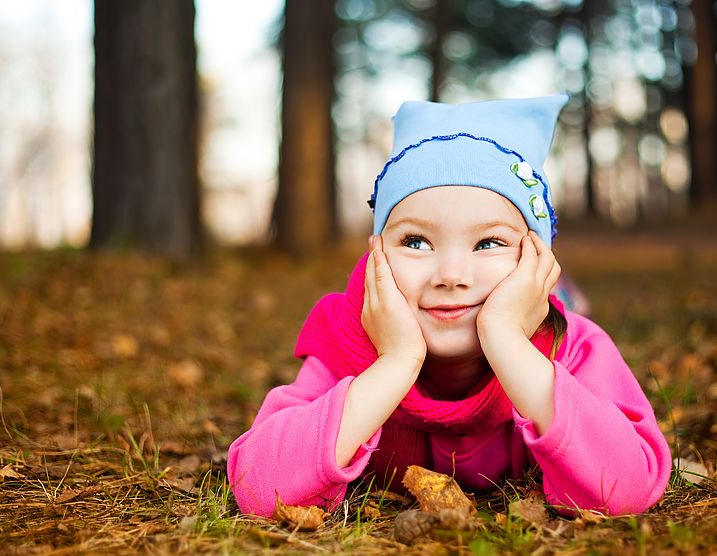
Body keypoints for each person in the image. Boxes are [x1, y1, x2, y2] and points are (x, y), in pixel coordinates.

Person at [227, 95, 671, 518]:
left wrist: (510, 344)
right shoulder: (347, 343)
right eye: (416, 242)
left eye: (488, 242)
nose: (451, 274)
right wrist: (395, 362)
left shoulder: (572, 347)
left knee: (571, 309)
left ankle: (567, 292)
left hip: (544, 322)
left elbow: (628, 487)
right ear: (377, 255)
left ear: (536, 258)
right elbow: (259, 487)